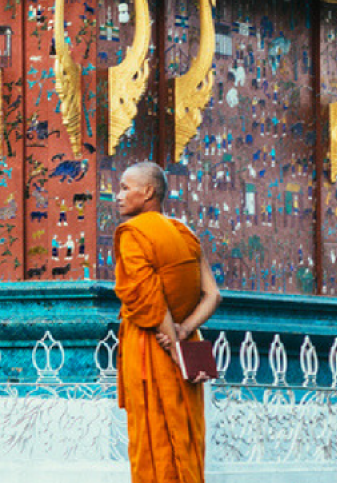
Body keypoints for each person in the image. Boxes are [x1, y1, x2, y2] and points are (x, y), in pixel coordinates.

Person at [113, 161, 221, 483]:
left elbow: (151, 300)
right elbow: (214, 295)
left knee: (153, 435)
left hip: (151, 345)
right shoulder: (185, 233)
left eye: (125, 188)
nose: (118, 196)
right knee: (185, 433)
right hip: (188, 345)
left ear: (148, 192)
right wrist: (184, 331)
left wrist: (172, 344)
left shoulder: (133, 234)